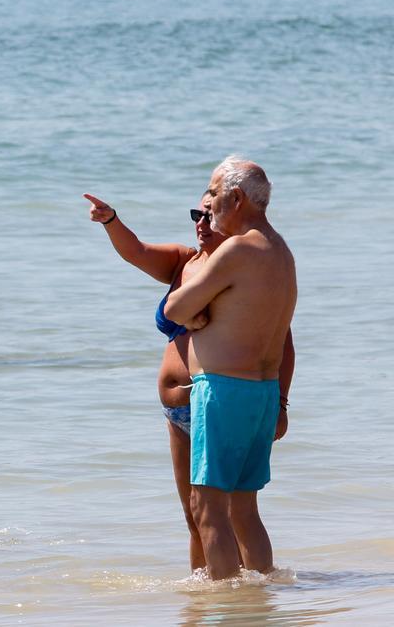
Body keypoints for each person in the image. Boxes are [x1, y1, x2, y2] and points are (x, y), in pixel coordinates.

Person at [84, 190, 294, 572]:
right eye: (196, 213)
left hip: (216, 399)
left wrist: (281, 403)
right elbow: (136, 251)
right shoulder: (185, 262)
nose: (201, 222)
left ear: (227, 217)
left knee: (231, 512)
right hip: (176, 410)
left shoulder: (244, 267)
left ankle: (240, 597)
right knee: (195, 515)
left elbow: (282, 342)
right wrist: (111, 220)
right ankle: (203, 602)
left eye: (209, 214)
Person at [164, 156, 297, 580]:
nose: (209, 205)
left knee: (207, 509)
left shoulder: (240, 249)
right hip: (261, 393)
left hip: (223, 391)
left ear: (236, 198)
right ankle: (259, 599)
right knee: (244, 509)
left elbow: (175, 307)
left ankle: (225, 608)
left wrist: (193, 311)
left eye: (214, 194)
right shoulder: (280, 251)